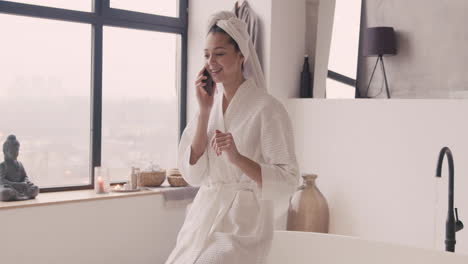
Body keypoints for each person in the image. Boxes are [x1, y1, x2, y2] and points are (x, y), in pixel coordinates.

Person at [165, 11, 299, 264]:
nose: (211, 62)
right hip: (206, 215)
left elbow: (289, 179)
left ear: (241, 56)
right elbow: (194, 174)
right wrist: (204, 111)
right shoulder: (208, 107)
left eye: (219, 53)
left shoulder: (267, 108)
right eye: (206, 55)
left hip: (244, 223)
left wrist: (237, 159)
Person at [0, 135, 39, 201]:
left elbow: (25, 176)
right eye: (12, 151)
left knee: (35, 188)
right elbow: (1, 180)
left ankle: (19, 194)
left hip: (22, 187)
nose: (16, 153)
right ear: (5, 151)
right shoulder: (3, 165)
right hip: (10, 187)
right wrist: (15, 184)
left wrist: (25, 182)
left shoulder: (20, 164)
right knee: (5, 193)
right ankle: (14, 194)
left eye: (17, 150)